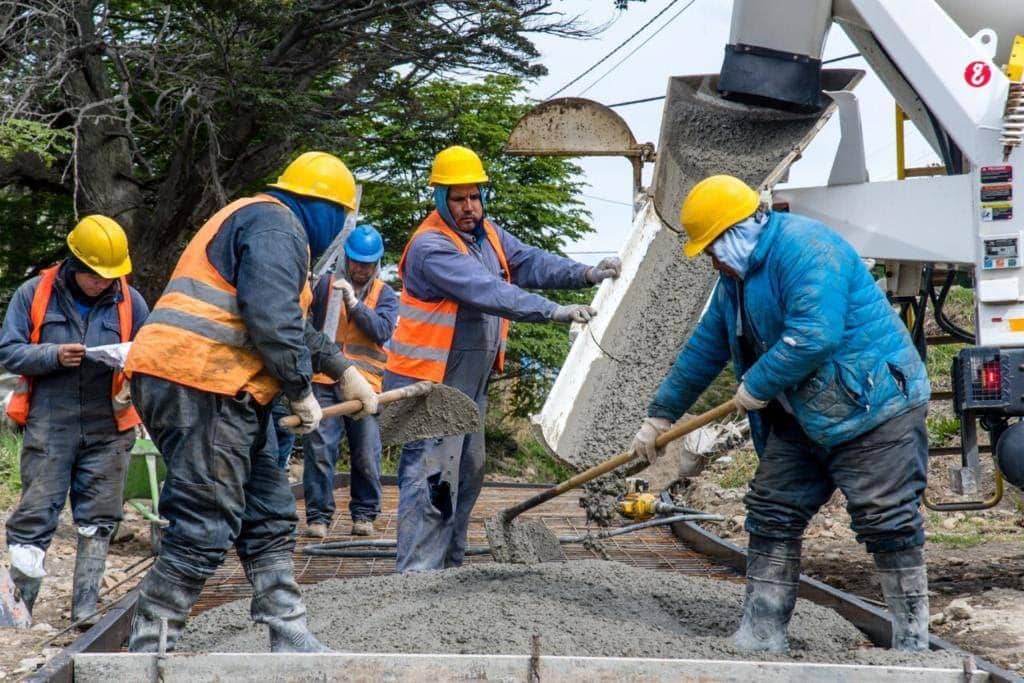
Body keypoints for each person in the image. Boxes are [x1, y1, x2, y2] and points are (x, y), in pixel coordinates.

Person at [632, 175, 931, 652]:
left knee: (886, 520)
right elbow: (706, 348)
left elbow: (815, 334)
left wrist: (757, 384)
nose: (711, 260)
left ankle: (913, 643)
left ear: (736, 232)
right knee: (771, 512)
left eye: (712, 248)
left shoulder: (806, 249)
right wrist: (662, 415)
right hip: (804, 415)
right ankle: (762, 632)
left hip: (873, 408)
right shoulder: (736, 280)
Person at [123, 151, 379, 653]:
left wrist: (343, 370)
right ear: (326, 209)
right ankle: (147, 650)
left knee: (268, 514)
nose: (341, 236)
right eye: (344, 221)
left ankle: (288, 631)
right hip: (199, 383)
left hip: (228, 389)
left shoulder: (266, 223)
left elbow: (292, 324)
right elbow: (271, 319)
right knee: (204, 523)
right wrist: (302, 389)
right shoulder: (276, 227)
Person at [384, 145, 621, 573]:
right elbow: (488, 291)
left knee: (467, 474)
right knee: (432, 482)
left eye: (475, 196)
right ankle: (416, 580)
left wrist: (585, 273)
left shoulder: (486, 235)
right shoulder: (432, 247)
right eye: (459, 199)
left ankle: (448, 570)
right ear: (440, 199)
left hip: (468, 387)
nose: (469, 206)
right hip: (432, 387)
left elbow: (528, 260)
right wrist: (552, 311)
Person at [0, 216, 148, 627]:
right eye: (96, 277)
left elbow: (151, 353)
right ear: (75, 264)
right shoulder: (34, 294)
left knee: (99, 518)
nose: (104, 283)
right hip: (51, 422)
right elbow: (8, 351)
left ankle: (85, 608)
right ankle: (18, 612)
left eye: (110, 277)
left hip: (108, 425)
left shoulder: (131, 301)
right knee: (34, 515)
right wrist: (51, 355)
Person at [303, 225, 397, 539]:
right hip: (323, 380)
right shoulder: (326, 285)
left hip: (365, 386)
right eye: (356, 262)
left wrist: (354, 304)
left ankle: (365, 515)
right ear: (347, 258)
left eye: (367, 264)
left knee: (366, 453)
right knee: (320, 451)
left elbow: (382, 331)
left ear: (377, 264)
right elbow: (308, 327)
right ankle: (318, 518)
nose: (360, 269)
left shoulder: (385, 295)